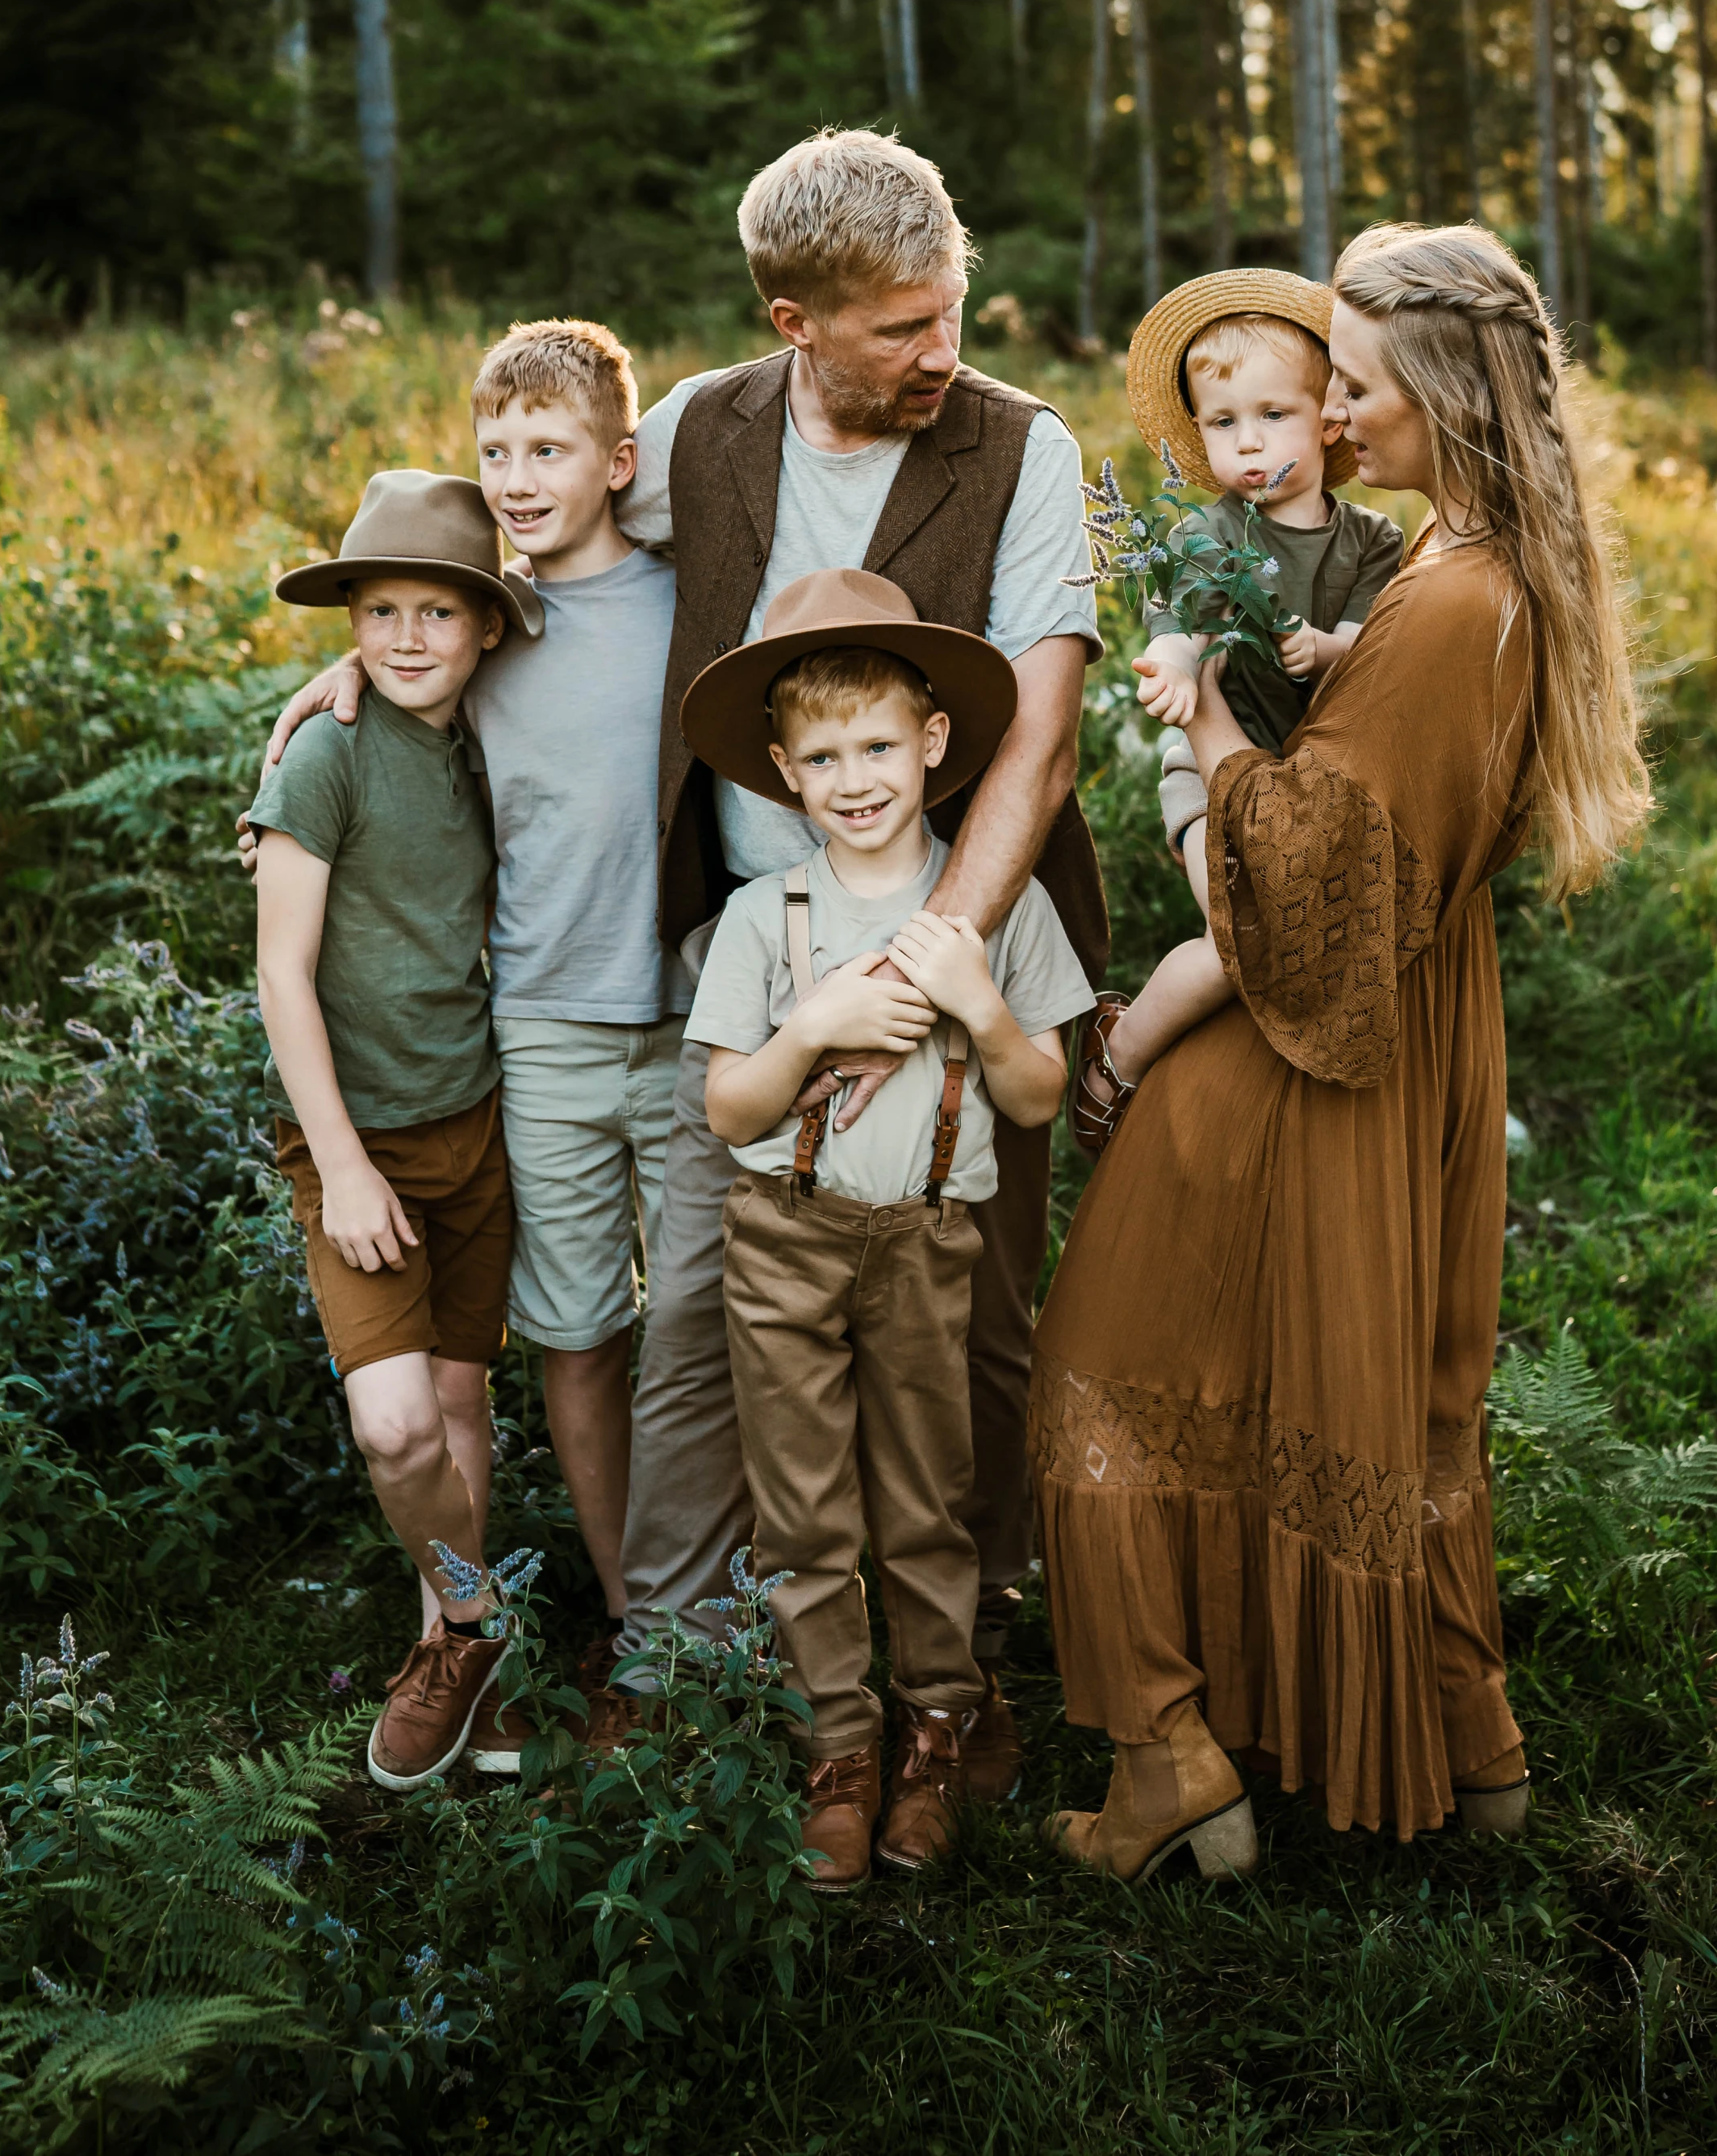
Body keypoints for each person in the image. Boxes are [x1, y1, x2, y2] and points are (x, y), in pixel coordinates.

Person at [1030, 222, 1651, 1877]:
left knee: (1103, 1364)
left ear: (1437, 387)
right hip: (1403, 1016)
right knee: (1374, 1389)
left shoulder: (1446, 600)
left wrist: (1210, 732)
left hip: (1299, 1037)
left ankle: (1170, 1755)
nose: (1340, 413)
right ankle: (1459, 1735)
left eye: (1361, 383)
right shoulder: (1480, 569)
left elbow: (1298, 893)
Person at [615, 127, 1105, 1799]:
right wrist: (359, 668)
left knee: (966, 1323)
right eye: (901, 326)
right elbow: (528, 534)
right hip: (754, 949)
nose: (940, 349)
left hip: (961, 941)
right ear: (791, 317)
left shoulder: (1022, 448)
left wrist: (932, 966)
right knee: (700, 1310)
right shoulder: (697, 427)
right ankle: (687, 1648)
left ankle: (955, 1677)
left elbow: (1035, 741)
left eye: (948, 306)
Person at [250, 320, 711, 1740]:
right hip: (541, 1041)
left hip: (691, 1023)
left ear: (615, 463)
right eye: (495, 450)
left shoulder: (687, 594)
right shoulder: (461, 643)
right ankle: (548, 1620)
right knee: (568, 1340)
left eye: (546, 449)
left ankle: (703, 1622)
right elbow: (398, 665)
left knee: (690, 1337)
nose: (516, 475)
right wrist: (322, 687)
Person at [681, 571, 1090, 1888]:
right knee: (801, 1512)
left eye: (876, 745)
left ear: (931, 743)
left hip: (926, 1239)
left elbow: (1036, 1097)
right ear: (784, 774)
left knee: (925, 1503)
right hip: (783, 1235)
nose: (853, 776)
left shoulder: (998, 912)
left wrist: (975, 998)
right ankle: (838, 1750)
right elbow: (727, 1103)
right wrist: (808, 1028)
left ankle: (933, 1731)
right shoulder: (765, 918)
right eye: (822, 755)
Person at [245, 469, 545, 1790]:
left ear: (485, 628)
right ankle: (476, 1613)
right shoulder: (328, 752)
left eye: (438, 609)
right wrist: (348, 1165)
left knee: (462, 1396)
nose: (408, 636)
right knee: (394, 1425)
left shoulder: (488, 735)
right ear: (351, 621)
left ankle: (450, 1641)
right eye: (379, 610)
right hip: (352, 1140)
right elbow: (280, 977)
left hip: (472, 1122)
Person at [1071, 270, 1405, 1145]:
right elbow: (1177, 624)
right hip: (1207, 780)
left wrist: (1329, 648)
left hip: (1313, 786)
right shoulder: (1203, 534)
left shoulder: (1371, 539)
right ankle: (1119, 1051)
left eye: (1272, 417)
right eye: (1223, 424)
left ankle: (1255, 1104)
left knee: (1301, 951)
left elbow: (1378, 643)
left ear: (1326, 418)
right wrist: (1178, 667)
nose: (1248, 446)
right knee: (1242, 943)